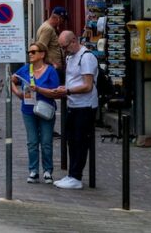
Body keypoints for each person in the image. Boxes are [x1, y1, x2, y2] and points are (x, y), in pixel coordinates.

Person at [10, 42, 61, 184]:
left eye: (33, 52)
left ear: (42, 54)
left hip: (45, 109)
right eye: (29, 52)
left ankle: (47, 171)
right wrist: (18, 94)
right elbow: (12, 80)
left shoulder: (50, 71)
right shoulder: (26, 69)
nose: (30, 54)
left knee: (46, 142)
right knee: (32, 141)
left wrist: (38, 89)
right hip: (28, 110)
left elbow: (55, 93)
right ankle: (33, 171)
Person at [53, 30, 98, 190]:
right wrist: (65, 88)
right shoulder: (70, 57)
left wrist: (68, 91)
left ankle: (76, 176)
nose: (64, 50)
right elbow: (73, 79)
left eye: (65, 47)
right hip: (73, 104)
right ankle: (72, 174)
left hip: (85, 106)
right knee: (71, 140)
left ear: (73, 41)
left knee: (80, 141)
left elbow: (87, 85)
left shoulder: (86, 57)